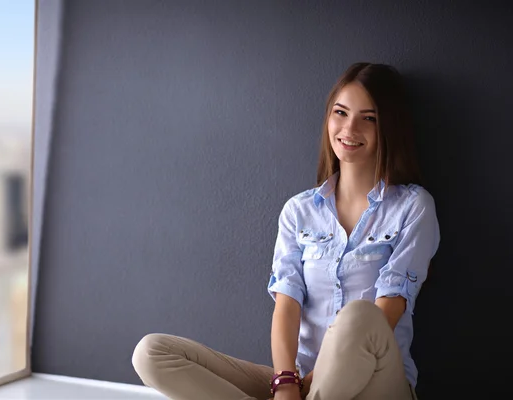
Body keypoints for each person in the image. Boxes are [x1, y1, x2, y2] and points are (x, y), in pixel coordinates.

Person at [132, 62, 440, 400]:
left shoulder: (413, 207)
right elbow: (287, 306)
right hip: (299, 383)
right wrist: (286, 382)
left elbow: (388, 311)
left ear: (389, 127)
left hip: (376, 383)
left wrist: (301, 389)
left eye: (369, 118)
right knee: (152, 353)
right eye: (341, 112)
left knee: (360, 317)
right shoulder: (299, 211)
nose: (350, 128)